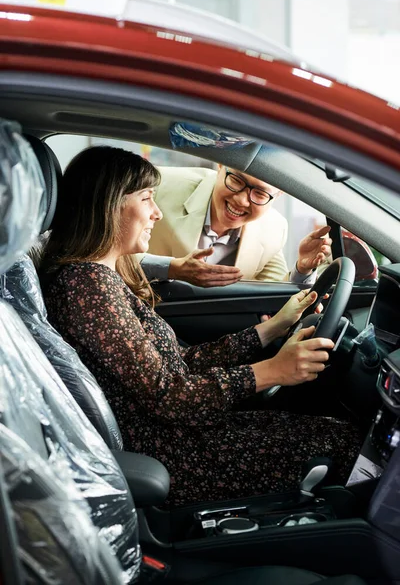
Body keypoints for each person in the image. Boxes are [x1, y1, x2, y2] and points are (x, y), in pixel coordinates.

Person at [41, 146, 362, 507]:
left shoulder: (103, 278)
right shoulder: (88, 287)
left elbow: (179, 361)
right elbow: (170, 395)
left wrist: (271, 330)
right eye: (147, 198)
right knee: (342, 440)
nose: (157, 212)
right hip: (172, 451)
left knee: (328, 431)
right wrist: (272, 371)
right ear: (108, 205)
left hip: (176, 432)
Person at [140, 165, 332, 287]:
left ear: (278, 195)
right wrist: (171, 268)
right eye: (236, 180)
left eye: (260, 194)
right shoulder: (159, 186)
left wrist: (302, 269)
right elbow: (111, 252)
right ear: (220, 166)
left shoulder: (274, 228)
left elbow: (273, 294)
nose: (241, 200)